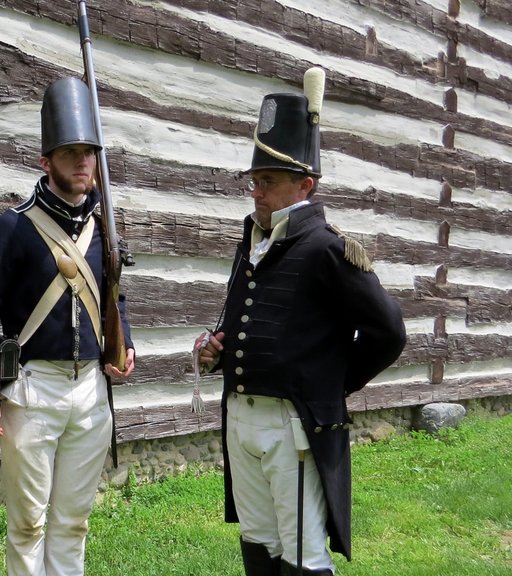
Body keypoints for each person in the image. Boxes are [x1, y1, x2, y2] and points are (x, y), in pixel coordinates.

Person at [195, 68, 406, 576]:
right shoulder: (253, 242)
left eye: (268, 183)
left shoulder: (328, 248)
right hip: (241, 417)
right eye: (255, 182)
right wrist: (215, 348)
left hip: (292, 427)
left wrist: (331, 384)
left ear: (304, 184)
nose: (257, 193)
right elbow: (246, 323)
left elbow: (389, 332)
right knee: (258, 542)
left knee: (302, 553)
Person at [0, 77, 135, 576]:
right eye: (71, 153)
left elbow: (114, 295)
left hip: (89, 388)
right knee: (27, 525)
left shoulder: (103, 226)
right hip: (33, 387)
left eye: (88, 152)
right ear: (46, 161)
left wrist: (124, 342)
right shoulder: (14, 227)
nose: (83, 163)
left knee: (73, 521)